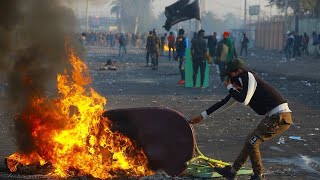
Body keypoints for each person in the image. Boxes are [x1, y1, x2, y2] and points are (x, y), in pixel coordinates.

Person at [189, 59, 293, 180]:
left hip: (280, 117)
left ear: (239, 71)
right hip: (274, 117)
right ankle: (232, 172)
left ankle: (258, 175)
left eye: (231, 75)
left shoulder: (248, 77)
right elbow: (224, 103)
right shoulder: (241, 85)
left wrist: (230, 87)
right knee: (250, 143)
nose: (230, 79)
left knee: (252, 142)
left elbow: (244, 100)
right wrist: (202, 116)